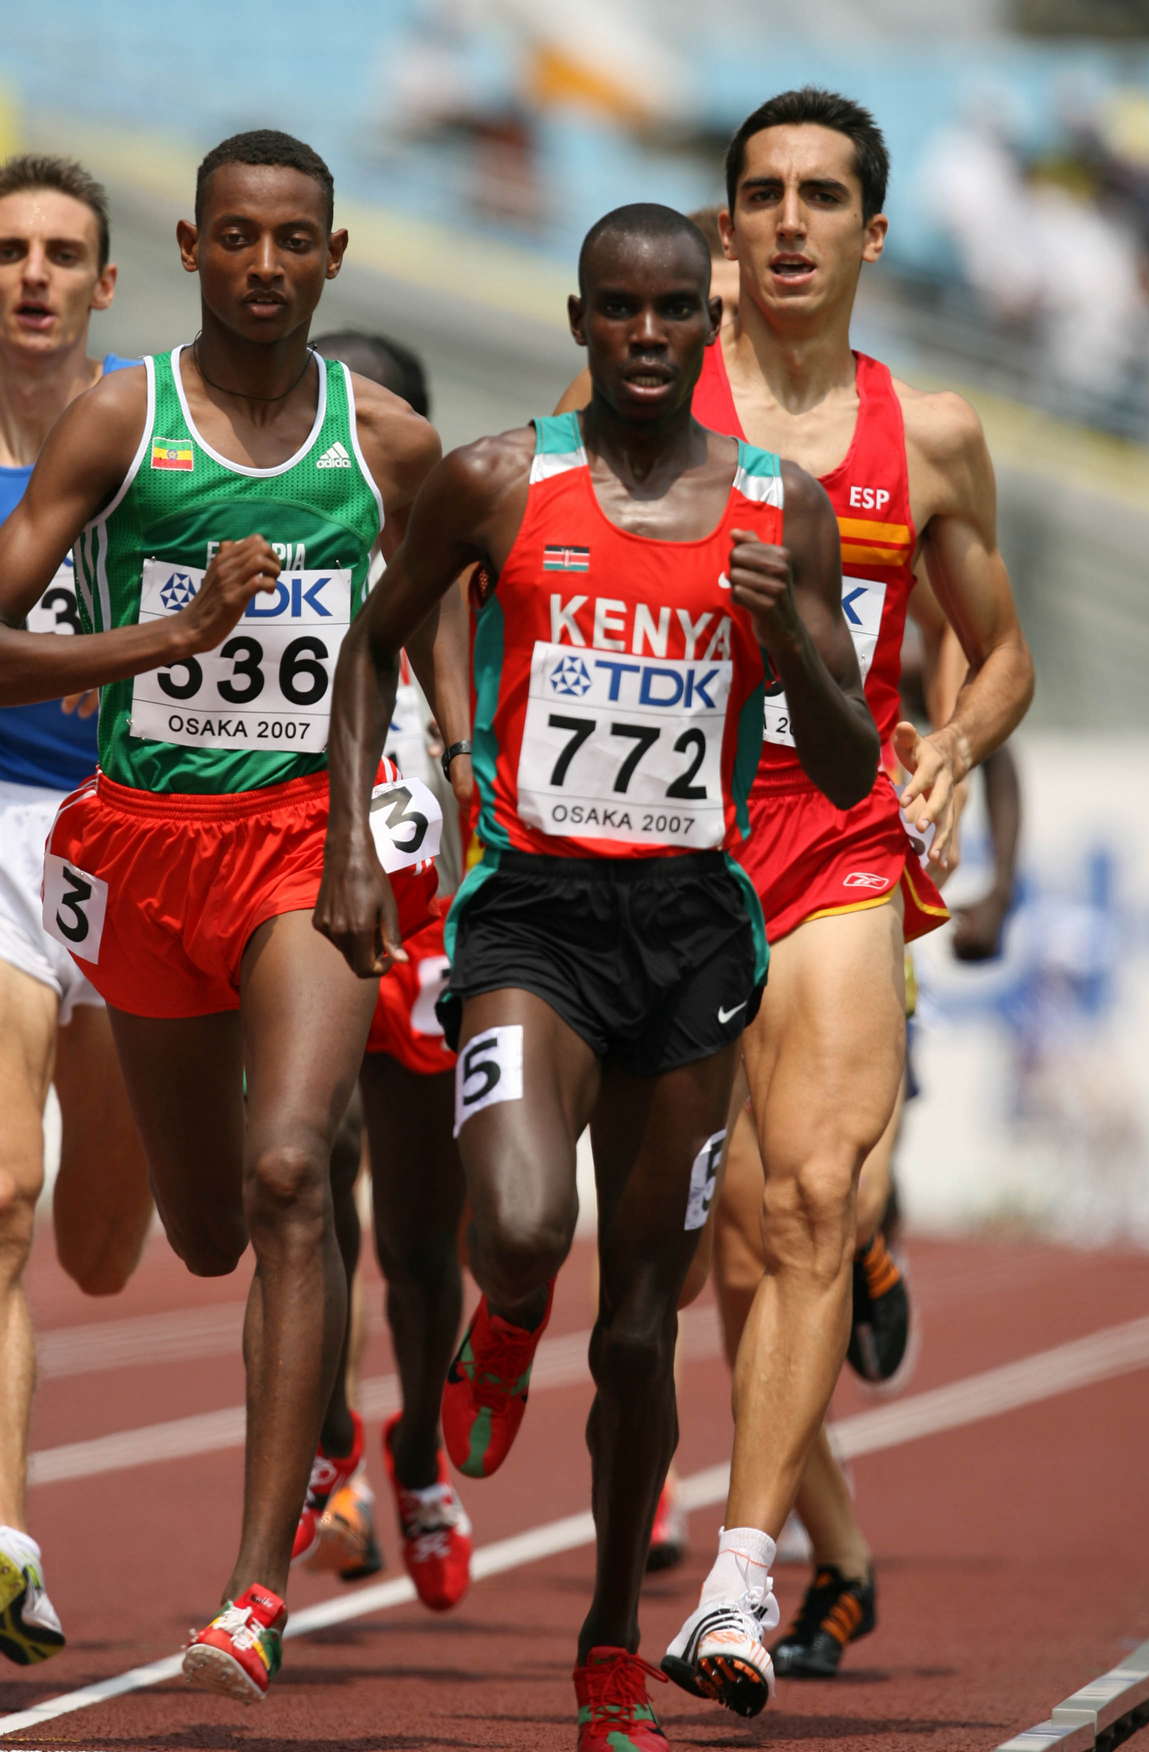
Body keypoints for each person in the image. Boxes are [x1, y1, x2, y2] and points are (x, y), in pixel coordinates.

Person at [315, 202, 879, 1752]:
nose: (643, 334)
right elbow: (372, 643)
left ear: (709, 326)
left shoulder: (779, 509)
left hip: (692, 936)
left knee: (638, 1331)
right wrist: (352, 842)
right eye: (616, 309)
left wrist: (793, 645)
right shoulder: (499, 480)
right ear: (578, 322)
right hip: (533, 918)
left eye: (671, 310)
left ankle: (609, 1645)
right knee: (515, 1228)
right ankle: (505, 1320)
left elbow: (844, 768)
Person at [559, 88, 1034, 1715]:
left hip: (835, 835)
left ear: (871, 233)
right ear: (722, 223)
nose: (786, 221)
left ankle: (744, 1579)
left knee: (818, 1197)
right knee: (714, 1259)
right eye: (758, 192)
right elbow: (520, 548)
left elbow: (1000, 650)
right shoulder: (642, 383)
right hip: (657, 845)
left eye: (819, 196)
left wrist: (953, 745)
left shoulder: (934, 434)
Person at [0, 129, 445, 1703]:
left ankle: (252, 1594)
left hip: (306, 848)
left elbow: (439, 606)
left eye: (293, 239)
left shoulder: (385, 441)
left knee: (292, 1174)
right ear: (192, 250)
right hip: (144, 845)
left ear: (333, 256)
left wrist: (436, 780)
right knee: (196, 1235)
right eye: (237, 237)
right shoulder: (125, 420)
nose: (265, 264)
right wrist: (170, 635)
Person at [291, 328, 472, 1613]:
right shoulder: (263, 532)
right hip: (292, 886)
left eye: (377, 420)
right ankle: (326, 1433)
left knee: (419, 1237)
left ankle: (415, 1454)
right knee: (305, 1168)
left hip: (428, 908)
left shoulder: (465, 556)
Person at [0, 152, 153, 1668]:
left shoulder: (152, 437)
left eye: (61, 254)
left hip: (130, 839)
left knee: (108, 1247)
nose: (32, 276)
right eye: (8, 250)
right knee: (1, 1197)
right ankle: (5, 1545)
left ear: (105, 282)